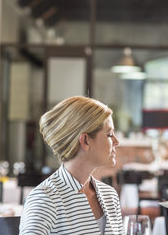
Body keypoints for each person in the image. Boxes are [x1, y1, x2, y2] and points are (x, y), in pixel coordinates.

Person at [19, 96, 123, 234]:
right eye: (110, 134)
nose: (116, 141)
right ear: (85, 140)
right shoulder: (44, 200)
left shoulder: (110, 196)